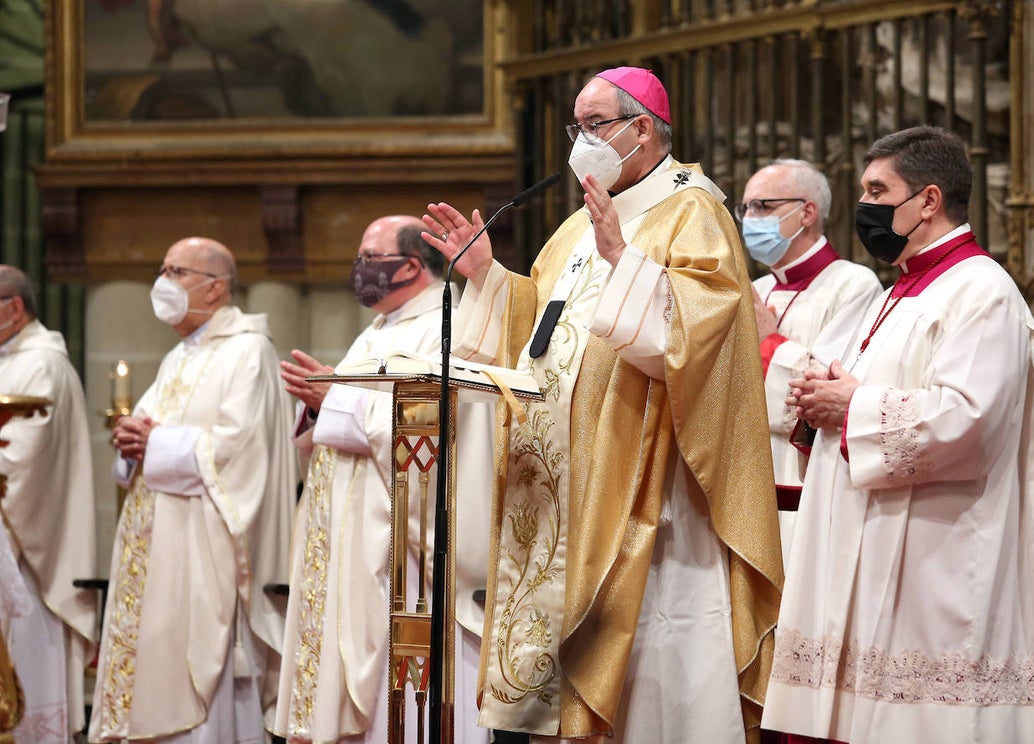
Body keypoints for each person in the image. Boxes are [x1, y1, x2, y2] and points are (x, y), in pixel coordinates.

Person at [423, 66, 783, 743]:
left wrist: (626, 260)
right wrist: (489, 280)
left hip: (645, 486)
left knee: (649, 666)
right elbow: (544, 327)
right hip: (562, 482)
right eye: (577, 127)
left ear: (642, 128)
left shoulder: (692, 208)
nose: (580, 141)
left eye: (594, 125)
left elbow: (703, 337)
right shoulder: (573, 228)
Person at [760, 126, 1034, 743]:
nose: (867, 205)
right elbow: (875, 393)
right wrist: (824, 400)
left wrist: (854, 403)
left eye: (877, 189)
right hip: (881, 529)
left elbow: (965, 423)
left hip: (941, 547)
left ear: (927, 200)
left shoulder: (982, 292)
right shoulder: (899, 291)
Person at [273, 216, 493, 744]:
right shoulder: (379, 331)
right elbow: (351, 415)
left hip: (407, 563)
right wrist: (315, 408)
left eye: (369, 258)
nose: (359, 271)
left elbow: (437, 431)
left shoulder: (448, 323)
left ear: (412, 266)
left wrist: (334, 400)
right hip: (351, 550)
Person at [90, 237, 294, 743]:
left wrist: (155, 441)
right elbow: (151, 430)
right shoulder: (179, 356)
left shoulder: (248, 351)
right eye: (163, 269)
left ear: (216, 287)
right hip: (159, 545)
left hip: (206, 550)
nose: (164, 282)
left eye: (177, 271)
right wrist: (133, 439)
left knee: (197, 675)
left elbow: (241, 450)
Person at [739, 160, 882, 563]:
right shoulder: (757, 287)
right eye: (746, 208)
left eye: (763, 206)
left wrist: (768, 339)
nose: (750, 219)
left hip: (803, 471)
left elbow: (823, 390)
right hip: (747, 467)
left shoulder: (854, 285)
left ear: (807, 212)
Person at [0, 266, 98, 742]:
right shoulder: (12, 358)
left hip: (27, 563)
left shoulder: (41, 363)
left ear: (14, 308)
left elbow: (18, 460)